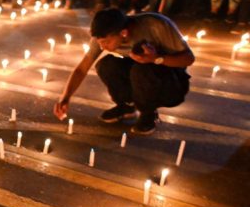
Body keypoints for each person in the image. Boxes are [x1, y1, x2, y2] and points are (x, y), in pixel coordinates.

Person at [53, 8, 194, 135]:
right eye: (99, 42)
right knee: (106, 65)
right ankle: (127, 106)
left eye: (106, 42)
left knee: (141, 70)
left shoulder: (156, 25)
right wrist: (65, 97)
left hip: (172, 81)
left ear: (124, 33)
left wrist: (156, 58)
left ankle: (148, 113)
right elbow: (81, 69)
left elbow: (189, 59)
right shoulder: (104, 34)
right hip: (141, 66)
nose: (102, 46)